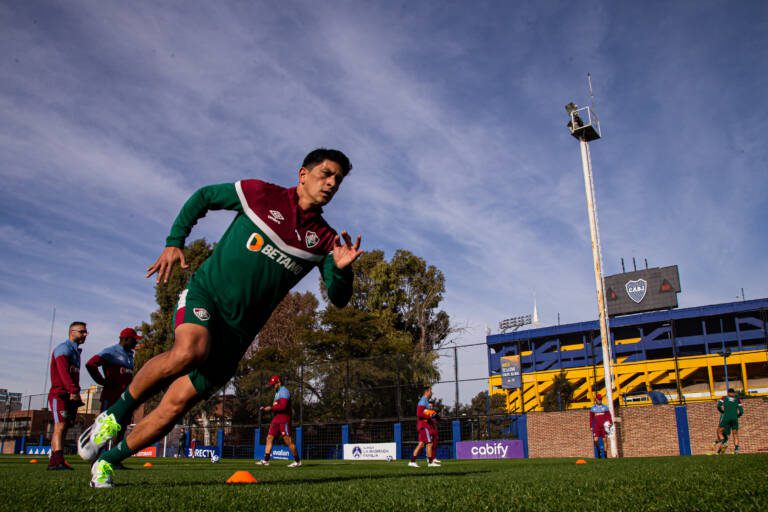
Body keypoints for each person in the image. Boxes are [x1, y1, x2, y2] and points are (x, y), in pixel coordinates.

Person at [79, 148, 362, 488]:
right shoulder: (261, 194)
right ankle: (114, 415)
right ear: (303, 174)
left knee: (176, 405)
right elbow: (205, 196)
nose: (331, 183)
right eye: (326, 174)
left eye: (338, 180)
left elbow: (339, 297)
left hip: (238, 334)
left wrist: (344, 271)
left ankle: (107, 461)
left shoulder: (326, 240)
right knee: (189, 351)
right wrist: (174, 241)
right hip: (206, 296)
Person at [85, 327, 141, 469]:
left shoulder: (130, 355)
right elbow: (91, 364)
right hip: (111, 396)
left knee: (121, 428)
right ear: (126, 339)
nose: (135, 343)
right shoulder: (111, 351)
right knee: (106, 427)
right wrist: (102, 381)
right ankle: (97, 459)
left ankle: (114, 459)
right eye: (134, 340)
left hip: (125, 398)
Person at [48, 321, 87, 470]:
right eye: (81, 332)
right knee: (60, 425)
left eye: (85, 332)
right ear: (72, 332)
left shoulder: (76, 352)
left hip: (70, 395)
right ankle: (56, 461)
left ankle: (57, 459)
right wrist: (73, 391)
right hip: (60, 394)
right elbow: (64, 373)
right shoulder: (63, 349)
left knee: (65, 427)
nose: (84, 335)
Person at [257, 375, 301, 467]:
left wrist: (271, 408)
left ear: (279, 382)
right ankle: (266, 460)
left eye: (274, 384)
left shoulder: (284, 391)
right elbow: (277, 406)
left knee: (287, 440)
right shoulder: (277, 392)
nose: (273, 386)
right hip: (276, 419)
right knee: (269, 437)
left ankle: (297, 461)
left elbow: (283, 406)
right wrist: (266, 408)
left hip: (284, 419)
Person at [409, 386, 440, 467]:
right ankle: (430, 462)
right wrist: (430, 416)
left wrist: (433, 414)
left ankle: (412, 461)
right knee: (429, 443)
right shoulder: (423, 400)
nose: (431, 392)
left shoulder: (425, 400)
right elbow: (419, 414)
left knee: (421, 444)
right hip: (423, 426)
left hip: (423, 425)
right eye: (430, 391)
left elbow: (426, 412)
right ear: (426, 392)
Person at [713, 388, 744, 454]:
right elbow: (741, 411)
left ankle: (723, 442)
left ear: (728, 393)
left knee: (719, 431)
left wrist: (722, 411)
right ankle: (736, 450)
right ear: (734, 393)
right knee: (735, 434)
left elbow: (718, 406)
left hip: (726, 418)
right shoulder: (738, 400)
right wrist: (737, 416)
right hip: (734, 419)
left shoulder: (724, 398)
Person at [589, 393, 612, 459]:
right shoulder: (593, 408)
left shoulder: (605, 407)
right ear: (596, 399)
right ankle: (599, 451)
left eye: (601, 399)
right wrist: (591, 426)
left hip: (604, 427)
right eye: (599, 399)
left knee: (605, 440)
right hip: (596, 426)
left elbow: (609, 416)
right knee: (595, 440)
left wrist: (610, 423)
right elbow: (591, 418)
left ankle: (605, 454)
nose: (600, 400)